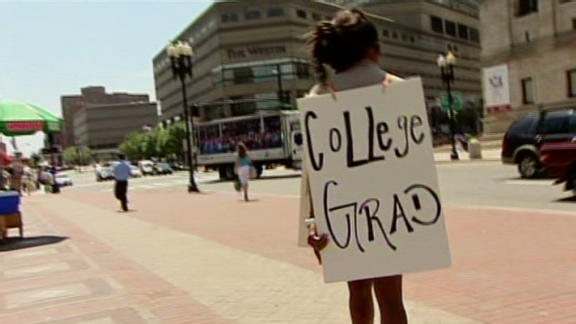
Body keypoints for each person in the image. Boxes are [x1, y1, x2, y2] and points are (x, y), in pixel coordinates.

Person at [304, 9, 408, 324]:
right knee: (392, 298)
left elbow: (315, 170)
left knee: (358, 292)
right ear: (373, 49)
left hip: (344, 213)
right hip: (392, 211)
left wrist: (313, 221)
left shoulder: (321, 96)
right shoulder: (397, 89)